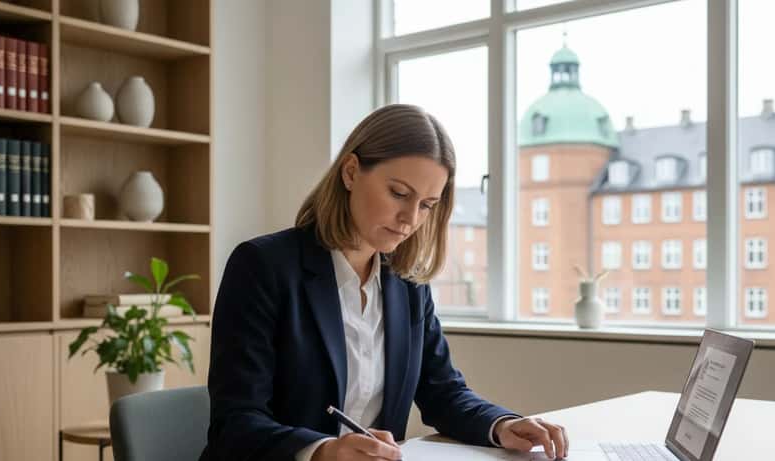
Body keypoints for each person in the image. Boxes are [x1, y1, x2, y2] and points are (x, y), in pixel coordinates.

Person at [200, 104, 569, 461]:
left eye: (426, 204)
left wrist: (502, 424)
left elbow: (443, 392)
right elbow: (235, 423)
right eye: (399, 193)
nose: (410, 218)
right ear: (350, 172)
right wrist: (322, 451)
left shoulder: (406, 284)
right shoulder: (263, 266)